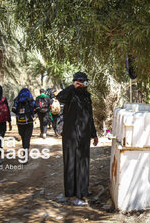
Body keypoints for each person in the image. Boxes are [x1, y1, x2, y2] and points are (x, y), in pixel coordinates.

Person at [57, 72, 98, 206]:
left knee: (83, 164)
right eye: (79, 81)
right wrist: (72, 87)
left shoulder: (87, 96)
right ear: (75, 82)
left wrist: (94, 134)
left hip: (84, 136)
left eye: (84, 81)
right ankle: (73, 195)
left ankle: (82, 191)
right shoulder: (70, 94)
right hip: (71, 136)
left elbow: (89, 116)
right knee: (71, 164)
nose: (82, 83)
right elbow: (60, 97)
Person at [12, 88, 35, 163]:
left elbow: (14, 109)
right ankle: (26, 155)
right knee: (27, 138)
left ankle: (24, 151)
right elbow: (33, 108)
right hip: (29, 122)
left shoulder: (17, 99)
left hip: (20, 122)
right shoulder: (30, 99)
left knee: (23, 137)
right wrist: (32, 114)